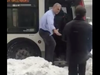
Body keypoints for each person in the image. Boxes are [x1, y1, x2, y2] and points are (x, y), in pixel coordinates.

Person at [62, 5, 92, 75]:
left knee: (72, 72)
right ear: (84, 14)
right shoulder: (88, 27)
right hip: (83, 53)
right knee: (82, 71)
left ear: (75, 13)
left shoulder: (68, 25)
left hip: (71, 53)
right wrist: (88, 49)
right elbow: (91, 41)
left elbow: (64, 38)